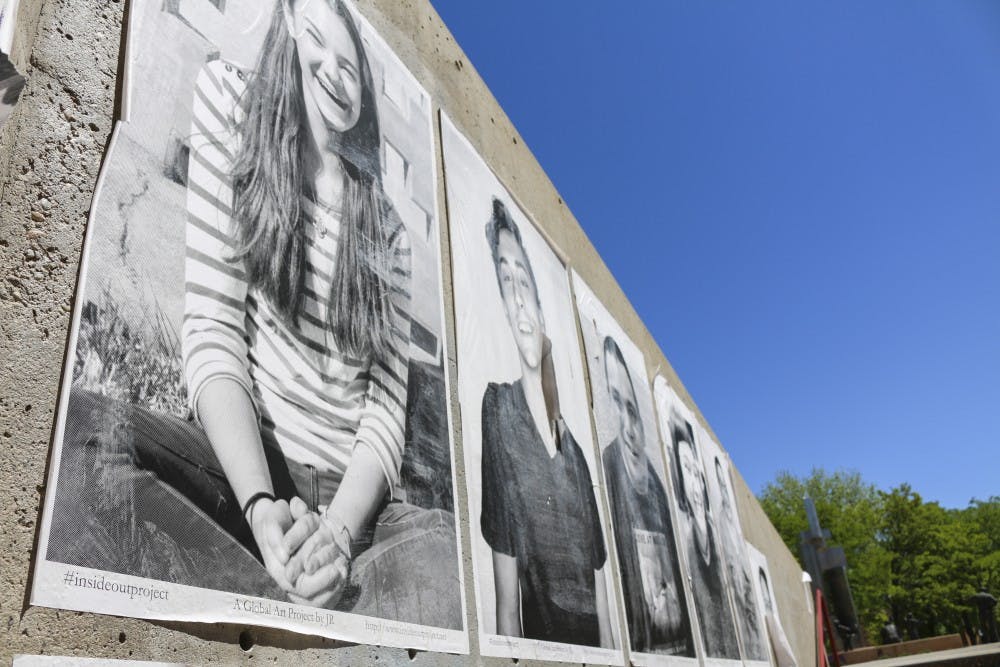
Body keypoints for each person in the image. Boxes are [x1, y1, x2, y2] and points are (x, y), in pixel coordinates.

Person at [57, 0, 460, 625]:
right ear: (291, 24)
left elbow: (384, 412)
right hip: (244, 467)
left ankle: (290, 590)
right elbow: (214, 332)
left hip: (353, 507)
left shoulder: (387, 229)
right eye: (318, 40)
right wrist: (261, 506)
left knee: (450, 556)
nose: (332, 70)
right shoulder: (228, 102)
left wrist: (337, 539)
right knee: (80, 437)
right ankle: (290, 588)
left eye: (352, 65)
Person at [479, 197, 613, 648]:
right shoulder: (499, 410)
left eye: (523, 281)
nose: (517, 297)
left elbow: (603, 606)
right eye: (505, 280)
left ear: (538, 299)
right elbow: (506, 604)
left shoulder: (575, 454)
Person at [599, 336, 693, 655]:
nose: (629, 427)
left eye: (632, 409)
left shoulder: (659, 493)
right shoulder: (604, 472)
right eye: (615, 403)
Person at [669, 413, 741, 659]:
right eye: (684, 470)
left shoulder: (718, 541)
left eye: (694, 470)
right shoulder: (685, 544)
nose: (693, 481)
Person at [713, 456, 767, 660]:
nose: (724, 490)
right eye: (720, 483)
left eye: (724, 483)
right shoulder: (721, 523)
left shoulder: (733, 524)